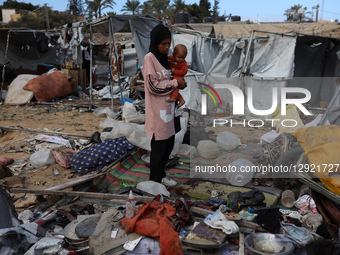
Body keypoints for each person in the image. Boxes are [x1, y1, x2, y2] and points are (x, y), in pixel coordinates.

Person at [143, 24, 187, 187]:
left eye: (169, 43)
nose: (167, 47)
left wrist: (180, 83)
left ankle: (161, 175)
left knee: (169, 144)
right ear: (156, 42)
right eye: (163, 44)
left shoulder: (166, 59)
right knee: (159, 147)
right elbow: (152, 86)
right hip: (158, 112)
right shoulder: (150, 58)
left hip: (170, 109)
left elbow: (172, 78)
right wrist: (175, 82)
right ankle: (155, 180)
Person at [167, 44, 188, 108]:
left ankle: (173, 97)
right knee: (171, 89)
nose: (181, 60)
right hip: (172, 75)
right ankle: (181, 99)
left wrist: (175, 72)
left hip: (179, 76)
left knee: (175, 84)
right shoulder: (170, 58)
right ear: (173, 55)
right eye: (179, 57)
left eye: (183, 58)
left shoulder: (183, 63)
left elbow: (184, 71)